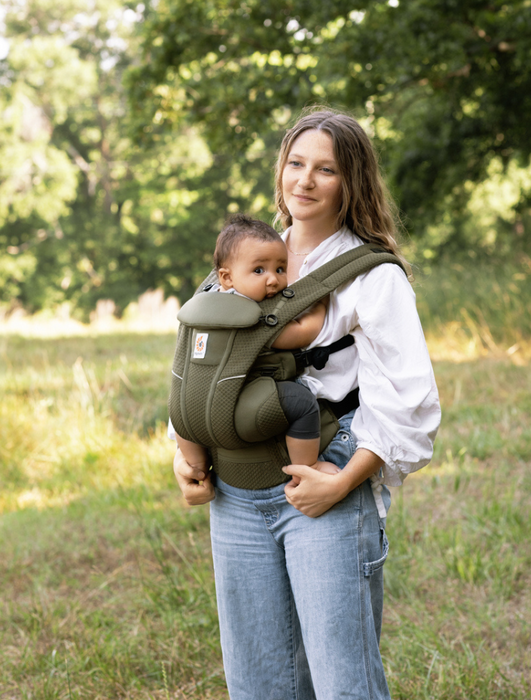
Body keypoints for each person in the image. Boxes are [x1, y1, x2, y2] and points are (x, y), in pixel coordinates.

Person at [171, 108, 441, 700]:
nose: (305, 181)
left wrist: (343, 482)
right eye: (296, 163)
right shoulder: (245, 257)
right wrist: (185, 457)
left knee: (343, 683)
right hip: (238, 489)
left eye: (326, 170)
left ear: (352, 183)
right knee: (259, 683)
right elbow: (201, 366)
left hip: (324, 478)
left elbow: (409, 403)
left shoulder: (372, 276)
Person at [174, 212, 339, 478]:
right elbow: (301, 334)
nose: (273, 279)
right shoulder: (251, 315)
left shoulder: (203, 303)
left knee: (183, 408)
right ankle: (306, 467)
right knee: (302, 403)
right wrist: (318, 304)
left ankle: (196, 468)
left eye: (281, 269)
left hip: (189, 413)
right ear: (227, 278)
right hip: (236, 413)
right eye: (259, 270)